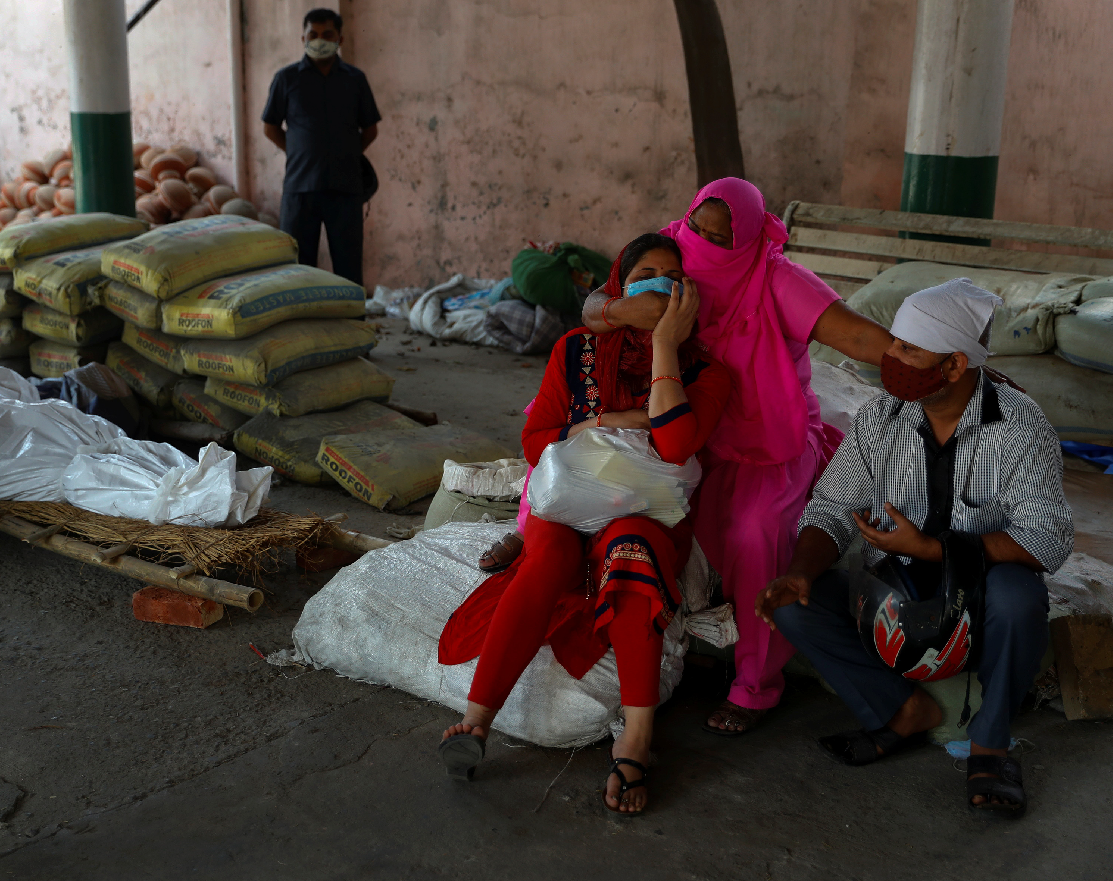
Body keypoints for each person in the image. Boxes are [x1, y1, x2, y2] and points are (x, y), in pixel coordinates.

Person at [568, 178, 893, 735]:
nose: (701, 243)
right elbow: (593, 306)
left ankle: (756, 685)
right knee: (617, 506)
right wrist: (623, 311)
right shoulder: (668, 254)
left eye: (719, 237)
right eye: (696, 226)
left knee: (754, 530)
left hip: (766, 442)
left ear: (746, 239)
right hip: (682, 428)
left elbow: (861, 341)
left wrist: (928, 364)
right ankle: (670, 645)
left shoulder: (776, 281)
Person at [436, 233, 732, 816]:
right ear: (620, 286)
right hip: (569, 506)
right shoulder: (574, 349)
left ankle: (638, 739)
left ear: (689, 295)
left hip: (650, 517)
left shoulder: (709, 373)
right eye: (645, 272)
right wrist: (609, 420)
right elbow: (536, 439)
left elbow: (674, 446)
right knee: (546, 556)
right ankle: (476, 723)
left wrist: (665, 345)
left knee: (631, 550)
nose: (659, 285)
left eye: (673, 277)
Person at [757, 279, 1073, 816]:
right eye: (895, 344)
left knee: (1019, 596)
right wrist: (802, 572)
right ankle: (902, 711)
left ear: (952, 366)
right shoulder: (881, 420)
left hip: (978, 603)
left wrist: (931, 548)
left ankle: (991, 745)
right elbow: (833, 507)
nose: (891, 357)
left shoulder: (1020, 427)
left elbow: (1048, 541)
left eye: (907, 349)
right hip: (895, 598)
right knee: (791, 604)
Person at [261, 8, 380, 286]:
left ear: (340, 39)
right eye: (312, 34)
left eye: (327, 34)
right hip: (300, 189)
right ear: (302, 37)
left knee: (348, 269)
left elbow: (371, 129)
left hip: (346, 189)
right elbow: (270, 127)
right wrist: (298, 152)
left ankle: (352, 328)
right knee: (297, 270)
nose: (319, 39)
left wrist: (346, 153)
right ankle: (303, 328)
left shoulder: (355, 80)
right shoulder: (286, 79)